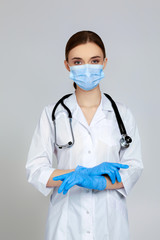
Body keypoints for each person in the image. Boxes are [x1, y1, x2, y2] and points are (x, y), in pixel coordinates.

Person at [25, 30, 144, 240]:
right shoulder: (52, 114)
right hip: (66, 223)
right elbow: (35, 170)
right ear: (67, 65)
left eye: (94, 60)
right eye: (78, 62)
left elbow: (133, 168)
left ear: (105, 63)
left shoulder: (122, 115)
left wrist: (98, 182)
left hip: (110, 223)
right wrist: (77, 174)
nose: (87, 68)